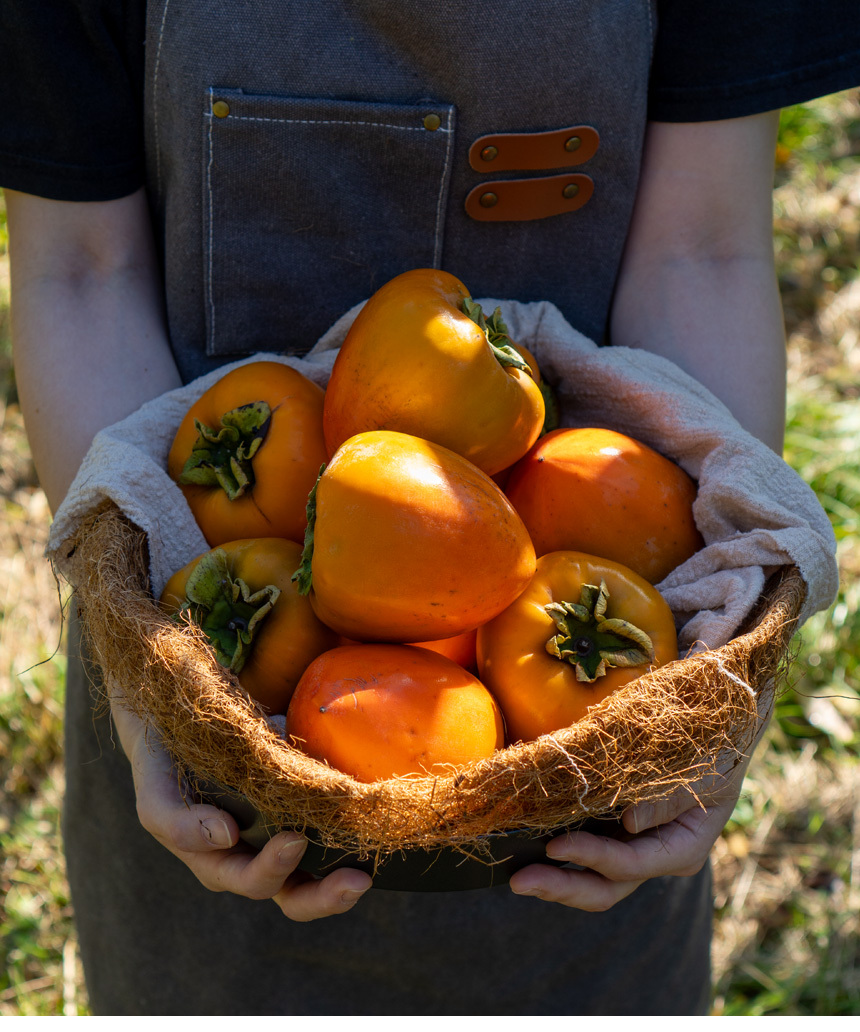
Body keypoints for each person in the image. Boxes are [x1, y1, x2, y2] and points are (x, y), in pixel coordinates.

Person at [2, 0, 858, 1016]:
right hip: (201, 670)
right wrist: (152, 686)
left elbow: (700, 248)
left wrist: (709, 687)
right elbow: (79, 267)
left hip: (589, 775)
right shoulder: (184, 635)